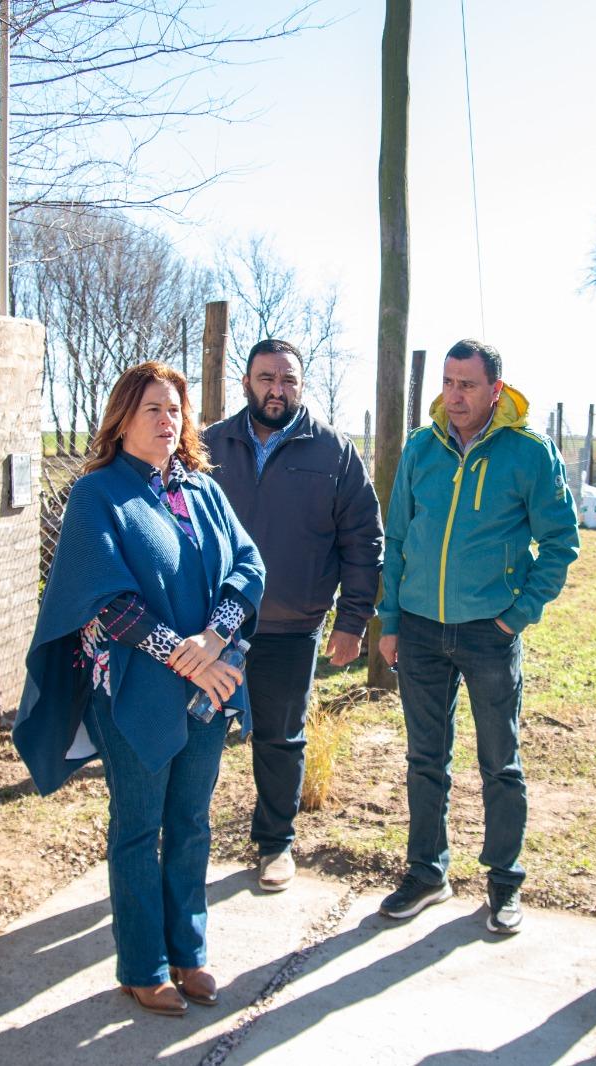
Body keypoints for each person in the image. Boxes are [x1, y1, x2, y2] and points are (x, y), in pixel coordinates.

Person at [12, 361, 265, 1018]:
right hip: (133, 692)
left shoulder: (203, 490)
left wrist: (215, 638)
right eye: (152, 407)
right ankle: (143, 964)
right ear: (122, 417)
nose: (165, 420)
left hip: (209, 688)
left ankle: (189, 951)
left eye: (175, 410)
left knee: (191, 824)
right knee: (138, 826)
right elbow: (102, 599)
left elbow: (247, 565)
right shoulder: (99, 494)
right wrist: (187, 657)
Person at [374, 338, 580, 934]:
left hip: (490, 635)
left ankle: (503, 881)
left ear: (496, 389)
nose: (455, 395)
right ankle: (426, 872)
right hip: (419, 629)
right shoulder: (421, 448)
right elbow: (398, 537)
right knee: (425, 759)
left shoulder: (528, 453)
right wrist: (390, 619)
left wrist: (518, 615)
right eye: (448, 382)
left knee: (500, 763)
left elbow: (561, 542)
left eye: (467, 384)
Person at [203, 338, 383, 892]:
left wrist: (352, 621)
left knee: (279, 739)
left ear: (301, 386)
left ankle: (275, 844)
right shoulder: (207, 446)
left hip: (290, 624)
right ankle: (188, 841)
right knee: (197, 736)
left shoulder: (333, 452)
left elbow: (363, 541)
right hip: (211, 627)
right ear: (247, 384)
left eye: (288, 380)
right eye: (265, 379)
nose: (276, 390)